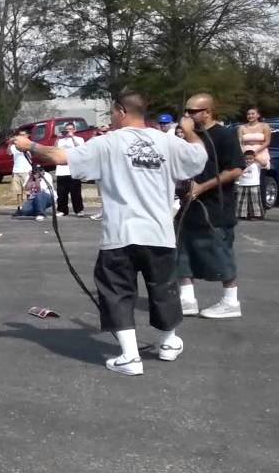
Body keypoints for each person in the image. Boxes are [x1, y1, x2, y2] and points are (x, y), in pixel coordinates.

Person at [14, 90, 206, 375]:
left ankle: (130, 356)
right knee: (163, 289)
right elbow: (199, 157)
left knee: (116, 291)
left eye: (112, 113)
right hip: (159, 232)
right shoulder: (168, 142)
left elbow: (58, 155)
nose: (111, 118)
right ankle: (167, 342)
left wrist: (29, 144)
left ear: (121, 111)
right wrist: (190, 131)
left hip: (121, 233)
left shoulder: (107, 143)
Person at [176, 93, 246, 319]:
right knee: (182, 247)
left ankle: (230, 301)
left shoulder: (224, 135)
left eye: (193, 111)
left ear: (208, 112)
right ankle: (187, 298)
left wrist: (202, 187)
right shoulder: (189, 136)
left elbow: (235, 169)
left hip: (216, 204)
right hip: (189, 203)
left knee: (219, 248)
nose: (188, 115)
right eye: (186, 111)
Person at [53, 123, 86, 216]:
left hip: (74, 169)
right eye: (66, 129)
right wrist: (57, 138)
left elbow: (80, 149)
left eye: (70, 129)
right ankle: (62, 210)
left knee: (76, 192)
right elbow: (54, 150)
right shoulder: (60, 140)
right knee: (61, 193)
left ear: (74, 130)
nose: (68, 131)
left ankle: (79, 210)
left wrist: (72, 137)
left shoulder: (79, 139)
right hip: (61, 170)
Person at [236, 150, 264, 220]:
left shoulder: (256, 165)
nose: (248, 161)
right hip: (242, 184)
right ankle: (241, 214)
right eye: (246, 159)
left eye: (250, 159)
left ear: (254, 158)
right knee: (241, 200)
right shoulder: (241, 165)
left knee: (254, 201)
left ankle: (256, 215)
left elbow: (264, 163)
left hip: (254, 184)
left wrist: (256, 157)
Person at [8, 130, 33, 204]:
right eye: (20, 135)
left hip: (26, 170)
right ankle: (20, 207)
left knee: (28, 191)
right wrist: (10, 143)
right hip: (16, 171)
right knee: (18, 191)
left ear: (27, 135)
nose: (21, 136)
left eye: (23, 135)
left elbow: (31, 155)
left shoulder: (30, 144)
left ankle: (29, 206)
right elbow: (9, 153)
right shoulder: (14, 146)